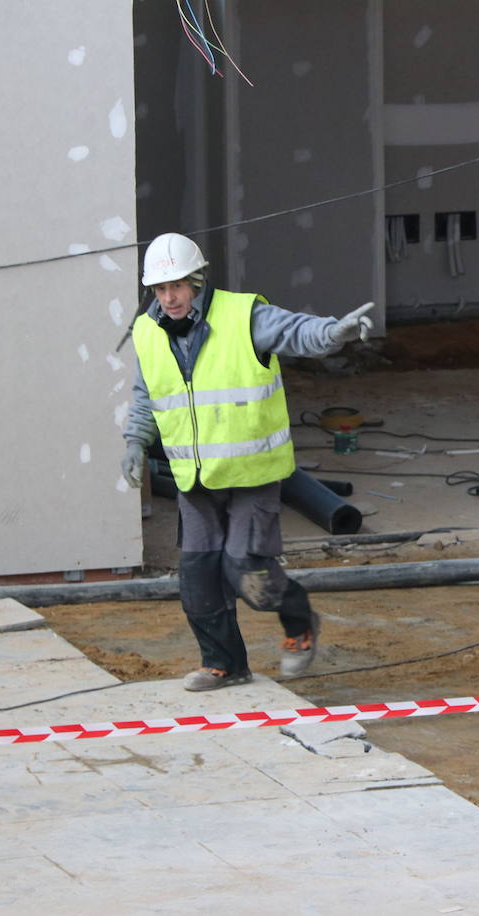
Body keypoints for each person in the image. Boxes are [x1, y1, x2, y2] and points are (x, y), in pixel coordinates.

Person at [121, 232, 374, 691]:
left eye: (177, 286)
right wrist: (135, 442)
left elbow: (296, 330)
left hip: (252, 476)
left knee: (248, 574)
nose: (170, 297)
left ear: (196, 281)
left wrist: (333, 333)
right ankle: (226, 665)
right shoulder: (146, 331)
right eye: (160, 289)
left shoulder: (243, 315)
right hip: (195, 481)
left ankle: (299, 623)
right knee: (197, 580)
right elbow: (146, 396)